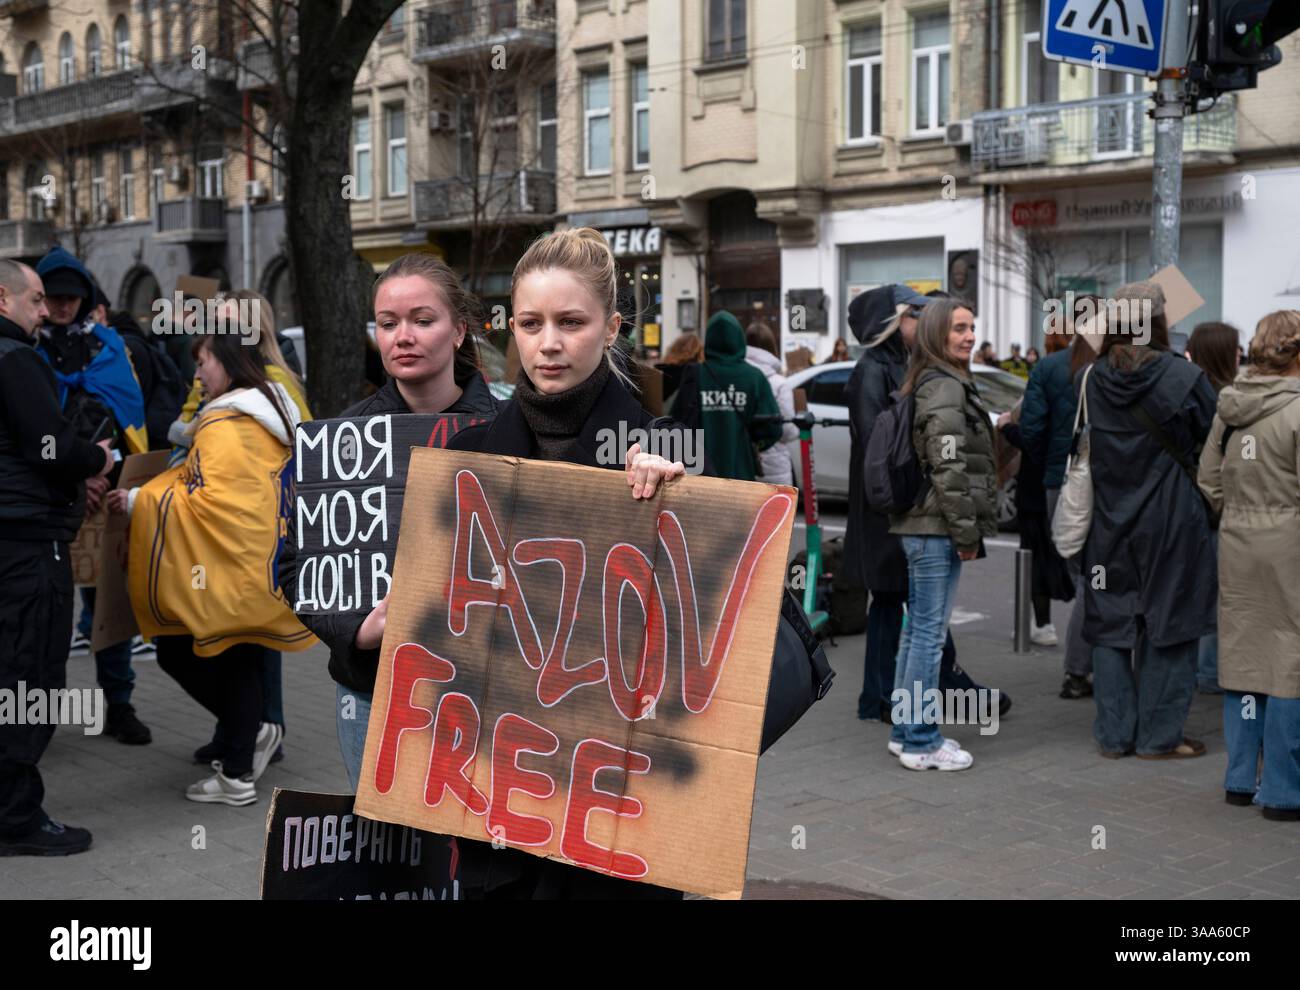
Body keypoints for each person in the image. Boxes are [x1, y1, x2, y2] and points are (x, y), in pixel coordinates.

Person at [444, 227, 697, 898]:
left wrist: (679, 505)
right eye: (531, 323)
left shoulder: (668, 451)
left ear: (611, 327)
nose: (549, 343)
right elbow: (436, 626)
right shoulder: (467, 459)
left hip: (619, 799)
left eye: (571, 322)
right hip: (498, 791)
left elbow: (715, 636)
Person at [283, 254, 502, 791]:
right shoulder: (341, 441)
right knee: (395, 861)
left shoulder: (511, 431)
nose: (404, 336)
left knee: (479, 865)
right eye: (388, 323)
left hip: (491, 691)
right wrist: (356, 630)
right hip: (374, 690)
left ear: (458, 331)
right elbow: (292, 563)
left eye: (423, 321)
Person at [110, 324, 316, 805]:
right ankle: (242, 740)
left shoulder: (229, 421)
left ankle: (238, 774)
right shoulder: (265, 409)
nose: (197, 374)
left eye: (203, 363)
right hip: (255, 563)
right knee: (233, 658)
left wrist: (141, 500)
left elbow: (211, 500)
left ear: (226, 360)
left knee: (205, 655)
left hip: (229, 567)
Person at [844, 285, 1010, 724]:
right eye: (916, 313)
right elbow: (879, 445)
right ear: (894, 323)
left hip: (908, 505)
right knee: (904, 610)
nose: (924, 319)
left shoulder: (908, 366)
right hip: (891, 506)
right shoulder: (873, 369)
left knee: (913, 611)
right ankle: (896, 704)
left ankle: (898, 700)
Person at [0, 259, 116, 855]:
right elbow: (48, 447)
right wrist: (95, 461)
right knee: (29, 675)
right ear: (4, 298)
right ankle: (18, 819)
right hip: (25, 547)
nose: (44, 310)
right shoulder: (15, 358)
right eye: (37, 298)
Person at [1080, 282, 1217, 760]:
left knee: (1110, 622)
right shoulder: (1184, 377)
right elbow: (1211, 439)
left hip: (1108, 516)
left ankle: (1115, 736)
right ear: (1159, 322)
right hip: (1173, 517)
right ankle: (1160, 736)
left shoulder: (1092, 377)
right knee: (1173, 621)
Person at [179, 291, 311, 770]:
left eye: (235, 324)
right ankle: (237, 732)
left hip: (260, 532)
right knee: (241, 646)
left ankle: (262, 731)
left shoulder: (273, 382)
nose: (225, 331)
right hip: (240, 532)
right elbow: (188, 419)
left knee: (257, 642)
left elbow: (300, 445)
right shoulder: (221, 378)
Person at [34, 246, 151, 745]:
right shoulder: (28, 350)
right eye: (54, 298)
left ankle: (117, 704)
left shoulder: (108, 348)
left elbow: (131, 416)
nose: (63, 306)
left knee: (110, 608)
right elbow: (30, 427)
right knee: (46, 612)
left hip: (106, 496)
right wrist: (75, 474)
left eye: (71, 297)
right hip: (48, 499)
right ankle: (35, 715)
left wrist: (108, 472)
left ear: (84, 299)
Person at [1198, 310, 1300, 820]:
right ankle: (1283, 789)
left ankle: (1240, 778)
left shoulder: (1230, 407)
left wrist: (1236, 512)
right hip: (1289, 544)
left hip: (1238, 541)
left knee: (1243, 657)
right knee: (1289, 661)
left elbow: (1208, 478)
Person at [888, 299, 998, 771]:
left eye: (972, 327)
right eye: (958, 328)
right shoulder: (945, 386)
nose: (969, 335)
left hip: (926, 525)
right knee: (928, 637)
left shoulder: (934, 380)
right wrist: (966, 533)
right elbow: (948, 466)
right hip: (936, 527)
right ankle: (920, 741)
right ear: (937, 334)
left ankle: (904, 730)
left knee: (917, 634)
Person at [1185, 321, 1241, 695]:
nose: (1241, 356)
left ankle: (1202, 671)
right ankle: (1208, 673)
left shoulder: (1189, 392)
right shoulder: (1226, 400)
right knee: (1218, 594)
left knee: (1201, 591)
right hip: (1216, 512)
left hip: (1192, 510)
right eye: (1236, 349)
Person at [694, 310, 782, 481]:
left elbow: (675, 422)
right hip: (742, 472)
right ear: (739, 339)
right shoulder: (755, 377)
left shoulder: (696, 375)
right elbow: (772, 428)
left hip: (699, 476)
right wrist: (754, 445)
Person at [744, 320, 798, 485]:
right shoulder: (779, 383)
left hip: (742, 459)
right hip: (773, 463)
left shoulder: (737, 378)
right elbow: (788, 430)